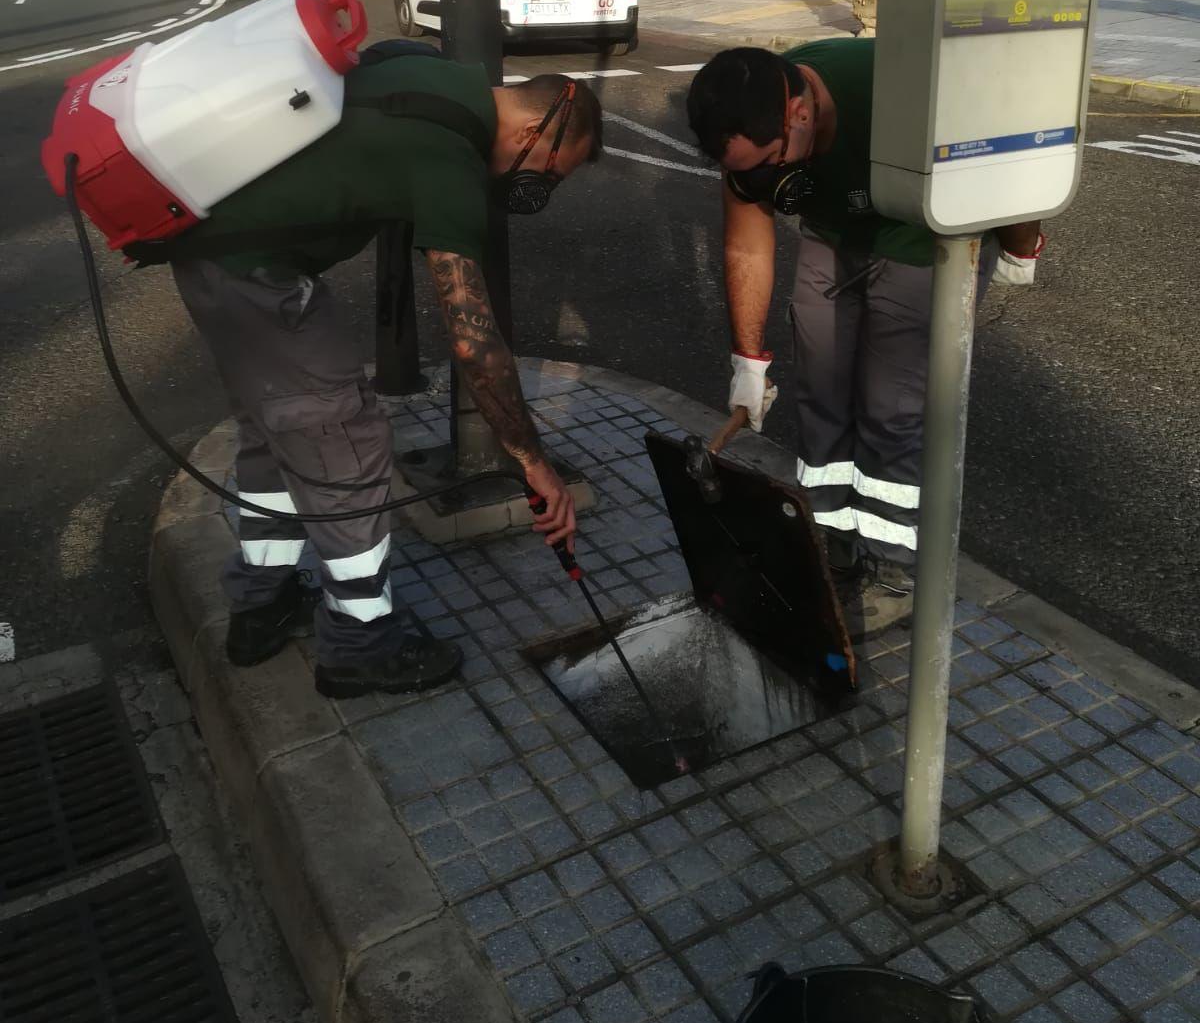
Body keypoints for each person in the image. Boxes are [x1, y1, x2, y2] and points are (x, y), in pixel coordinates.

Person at [130, 47, 603, 697]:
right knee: (344, 446)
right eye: (551, 174)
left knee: (276, 434)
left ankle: (261, 603)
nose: (538, 190)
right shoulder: (450, 157)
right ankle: (360, 644)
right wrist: (532, 461)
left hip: (212, 252)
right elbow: (474, 343)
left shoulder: (434, 72)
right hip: (256, 275)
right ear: (533, 133)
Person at [686, 43, 1042, 636]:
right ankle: (831, 544)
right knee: (820, 395)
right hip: (835, 234)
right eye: (744, 173)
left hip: (924, 237)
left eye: (771, 166)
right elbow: (747, 244)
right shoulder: (750, 129)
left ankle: (896, 575)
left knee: (890, 411)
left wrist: (1020, 240)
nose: (762, 184)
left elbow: (1000, 145)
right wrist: (747, 363)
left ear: (799, 113)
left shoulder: (900, 88)